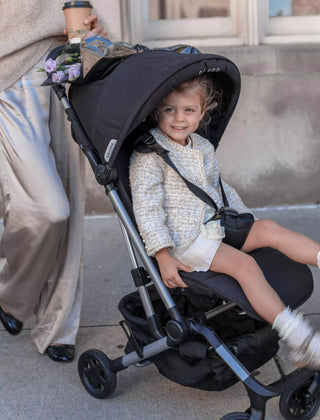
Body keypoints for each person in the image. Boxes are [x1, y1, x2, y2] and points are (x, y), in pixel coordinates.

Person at [129, 74, 320, 370]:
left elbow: (219, 189)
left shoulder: (202, 146)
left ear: (203, 112)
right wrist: (162, 255)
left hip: (216, 225)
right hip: (185, 239)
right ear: (158, 110)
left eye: (188, 111)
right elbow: (147, 209)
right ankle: (300, 340)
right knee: (245, 266)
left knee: (269, 229)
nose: (179, 119)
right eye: (170, 109)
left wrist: (246, 222)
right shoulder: (148, 156)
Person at [0, 1, 107, 362]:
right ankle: (10, 296)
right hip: (7, 80)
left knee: (71, 204)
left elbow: (84, 16)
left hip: (62, 68)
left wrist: (96, 36)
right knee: (45, 210)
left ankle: (59, 326)